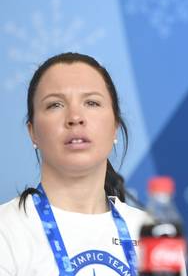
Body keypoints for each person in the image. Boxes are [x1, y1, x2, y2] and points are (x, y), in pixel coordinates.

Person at [0, 52, 147, 276]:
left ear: (115, 126)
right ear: (33, 132)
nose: (75, 117)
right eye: (55, 104)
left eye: (91, 102)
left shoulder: (150, 232)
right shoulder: (6, 229)